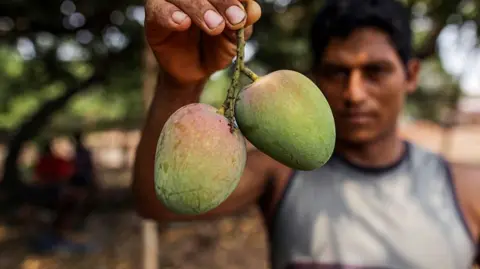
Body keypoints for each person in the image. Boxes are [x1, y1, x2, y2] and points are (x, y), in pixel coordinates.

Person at [132, 0, 480, 268]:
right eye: (336, 72)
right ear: (314, 77)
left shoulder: (466, 190)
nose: (354, 93)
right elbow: (159, 200)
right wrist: (181, 83)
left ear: (411, 74)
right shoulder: (280, 174)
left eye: (375, 71)